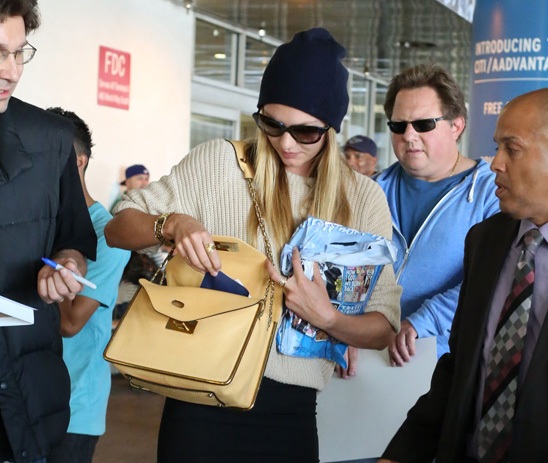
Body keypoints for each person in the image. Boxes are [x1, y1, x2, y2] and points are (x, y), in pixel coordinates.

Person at [105, 27, 401, 463]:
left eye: (305, 132)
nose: (285, 143)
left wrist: (328, 318)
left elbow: (384, 325)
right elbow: (117, 228)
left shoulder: (362, 199)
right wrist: (172, 223)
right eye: (272, 124)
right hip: (198, 401)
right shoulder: (219, 163)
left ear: (332, 128)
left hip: (292, 416)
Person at [379, 87, 548, 463]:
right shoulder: (485, 242)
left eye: (512, 148)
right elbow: (459, 369)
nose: (494, 164)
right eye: (496, 147)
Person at [0, 2, 97, 462]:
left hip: (22, 396)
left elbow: (76, 239)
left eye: (20, 52)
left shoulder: (49, 141)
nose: (12, 71)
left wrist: (68, 263)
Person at [374, 63, 499, 366]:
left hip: (446, 364)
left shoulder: (492, 194)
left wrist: (423, 321)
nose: (409, 135)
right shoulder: (371, 191)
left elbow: (494, 278)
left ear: (457, 125)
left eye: (424, 124)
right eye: (398, 125)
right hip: (365, 360)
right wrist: (344, 329)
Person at [45, 108, 130, 463]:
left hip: (76, 406)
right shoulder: (43, 223)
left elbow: (70, 322)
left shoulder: (106, 234)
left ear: (79, 162)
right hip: (30, 396)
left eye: (50, 156)